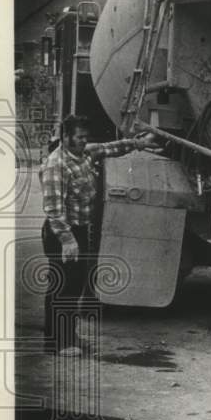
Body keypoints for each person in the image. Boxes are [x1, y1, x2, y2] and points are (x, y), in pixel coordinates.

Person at [39, 115, 157, 357]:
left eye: (85, 137)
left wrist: (139, 143)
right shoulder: (56, 164)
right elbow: (53, 209)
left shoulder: (83, 154)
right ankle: (57, 343)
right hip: (62, 232)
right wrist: (68, 241)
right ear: (66, 137)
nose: (84, 141)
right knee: (63, 288)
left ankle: (68, 335)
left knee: (74, 286)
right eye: (79, 137)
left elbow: (109, 148)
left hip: (78, 229)